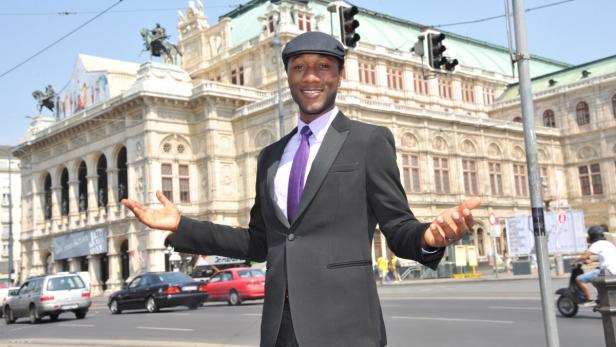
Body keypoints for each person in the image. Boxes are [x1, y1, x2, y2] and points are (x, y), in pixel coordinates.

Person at [122, 31, 480, 347]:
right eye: (299, 68)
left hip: (347, 329)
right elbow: (260, 243)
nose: (311, 77)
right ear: (288, 77)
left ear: (339, 77)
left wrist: (430, 238)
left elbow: (399, 228)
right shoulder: (271, 157)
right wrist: (182, 226)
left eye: (324, 67)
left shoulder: (367, 142)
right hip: (281, 330)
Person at [575, 225, 616, 303]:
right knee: (595, 275)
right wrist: (592, 261)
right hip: (613, 270)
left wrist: (575, 260)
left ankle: (589, 299)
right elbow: (605, 256)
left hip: (607, 271)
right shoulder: (608, 243)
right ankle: (600, 297)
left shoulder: (597, 244)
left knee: (579, 279)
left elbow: (585, 256)